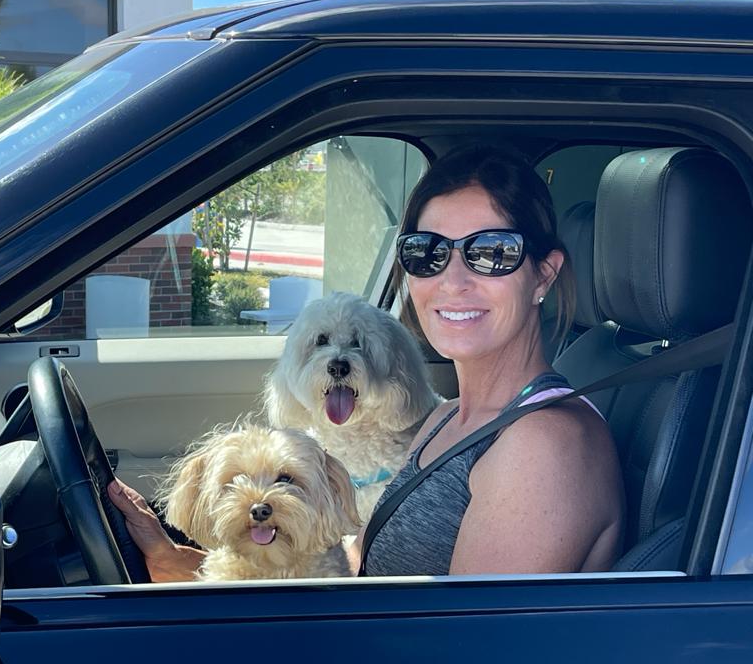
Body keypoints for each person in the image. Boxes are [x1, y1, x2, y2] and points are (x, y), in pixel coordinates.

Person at [110, 145, 625, 579]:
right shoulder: (446, 419)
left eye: (491, 252)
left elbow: (466, 644)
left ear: (543, 275)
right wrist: (184, 565)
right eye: (428, 253)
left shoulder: (544, 445)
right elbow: (361, 572)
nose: (453, 280)